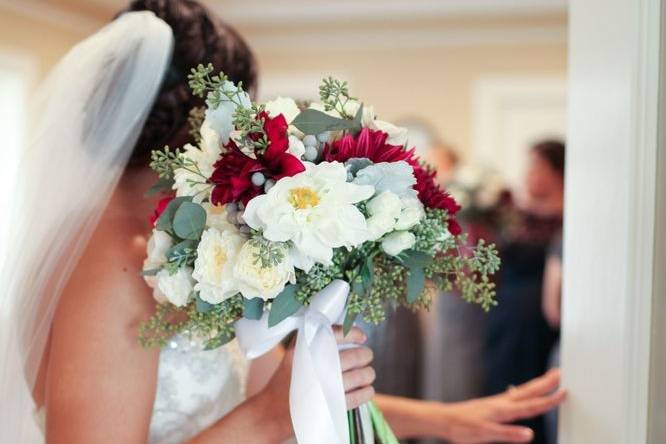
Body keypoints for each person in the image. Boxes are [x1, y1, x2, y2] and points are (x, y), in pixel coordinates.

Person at [0, 2, 564, 443]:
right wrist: (268, 423)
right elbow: (272, 410)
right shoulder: (107, 264)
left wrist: (450, 421)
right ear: (203, 123)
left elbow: (282, 389)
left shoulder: (178, 242)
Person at [483, 140, 566, 444]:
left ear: (556, 172)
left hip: (537, 321)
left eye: (537, 166)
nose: (529, 174)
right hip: (505, 313)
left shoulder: (571, 216)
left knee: (532, 386)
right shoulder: (511, 211)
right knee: (499, 380)